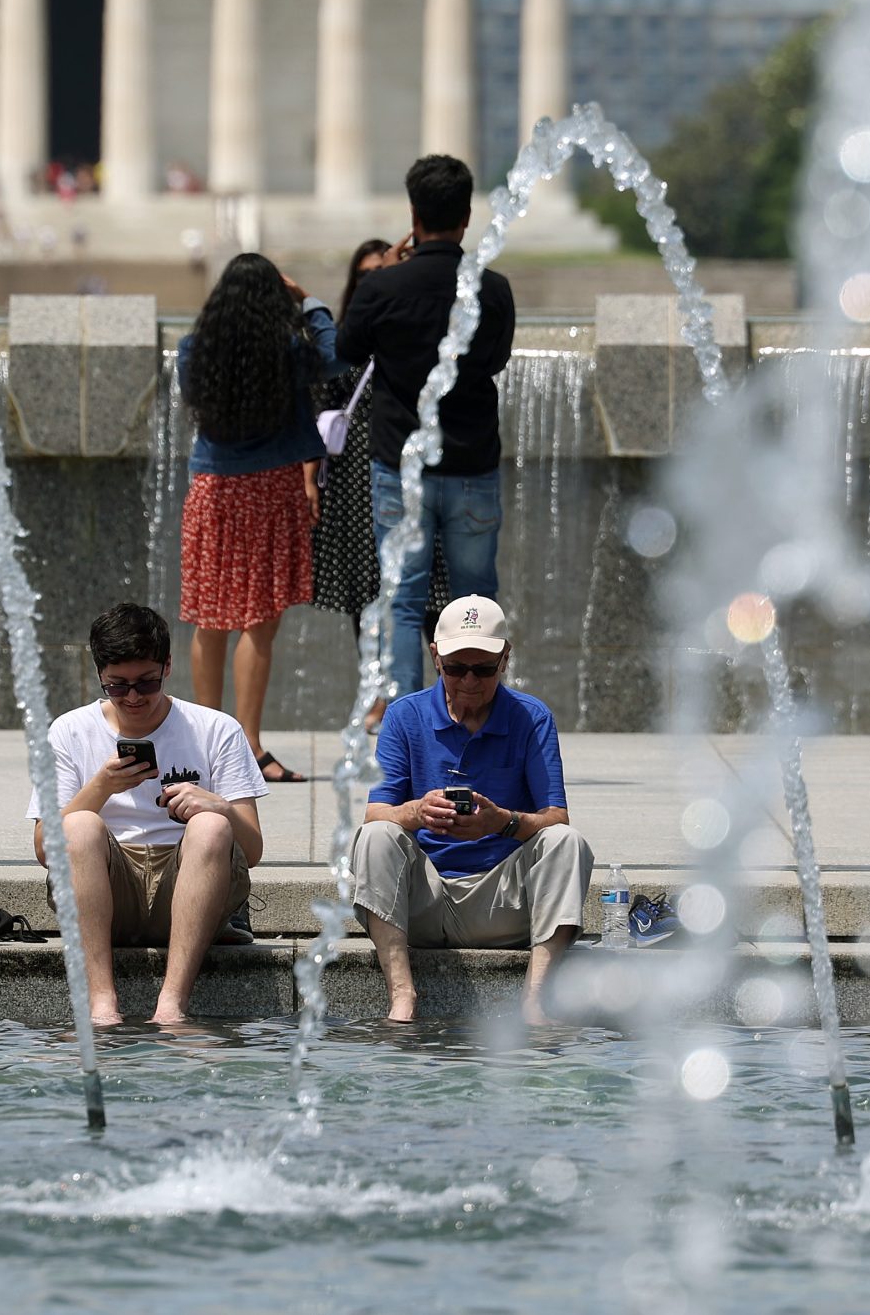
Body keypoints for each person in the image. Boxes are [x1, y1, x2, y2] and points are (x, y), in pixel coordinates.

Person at [347, 596, 592, 1025]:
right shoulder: (404, 715)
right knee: (376, 836)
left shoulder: (532, 717)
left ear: (505, 660)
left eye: (484, 669)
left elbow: (557, 816)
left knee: (566, 843)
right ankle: (402, 998)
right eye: (457, 668)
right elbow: (376, 812)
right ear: (435, 656)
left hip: (501, 900)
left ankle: (535, 1001)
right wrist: (417, 812)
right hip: (422, 898)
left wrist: (504, 822)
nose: (469, 681)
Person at [28, 603, 266, 1026]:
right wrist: (101, 787)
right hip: (108, 890)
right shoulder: (69, 730)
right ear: (100, 674)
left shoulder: (215, 728)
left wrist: (218, 806)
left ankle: (171, 1004)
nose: (133, 697)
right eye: (117, 687)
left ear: (168, 666)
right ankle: (102, 1003)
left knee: (211, 825)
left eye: (146, 683)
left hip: (192, 885)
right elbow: (46, 846)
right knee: (80, 825)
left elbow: (253, 849)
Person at [338, 154, 517, 705]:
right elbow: (494, 360)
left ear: (413, 214)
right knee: (474, 600)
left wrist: (387, 271)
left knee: (402, 597)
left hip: (400, 463)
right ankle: (476, 712)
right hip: (472, 462)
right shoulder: (492, 288)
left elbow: (345, 351)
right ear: (467, 217)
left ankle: (403, 718)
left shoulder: (385, 288)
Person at [175, 252, 339, 783]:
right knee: (258, 620)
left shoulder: (192, 351)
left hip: (214, 487)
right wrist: (308, 302)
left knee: (209, 615)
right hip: (271, 486)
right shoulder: (289, 351)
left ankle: (204, 742)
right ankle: (247, 744)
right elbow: (337, 358)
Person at [312, 239, 448, 731]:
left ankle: (445, 689)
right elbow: (321, 399)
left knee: (428, 588)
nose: (374, 279)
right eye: (364, 274)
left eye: (382, 271)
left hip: (401, 467)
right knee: (366, 593)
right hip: (351, 478)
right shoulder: (346, 340)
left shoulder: (406, 325)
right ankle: (379, 696)